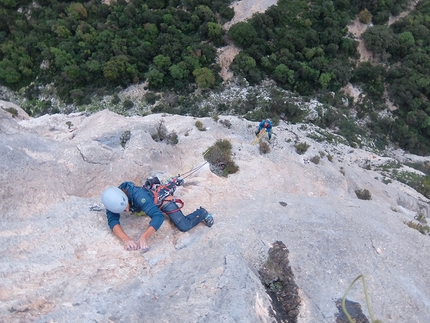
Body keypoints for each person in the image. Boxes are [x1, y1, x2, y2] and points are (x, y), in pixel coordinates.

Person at [101, 178, 214, 253]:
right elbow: (112, 221)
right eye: (123, 210)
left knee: (184, 225)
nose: (126, 209)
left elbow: (158, 216)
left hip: (161, 200)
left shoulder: (138, 196)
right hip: (148, 200)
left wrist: (144, 236)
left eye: (126, 206)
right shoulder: (112, 201)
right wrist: (126, 239)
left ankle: (203, 213)